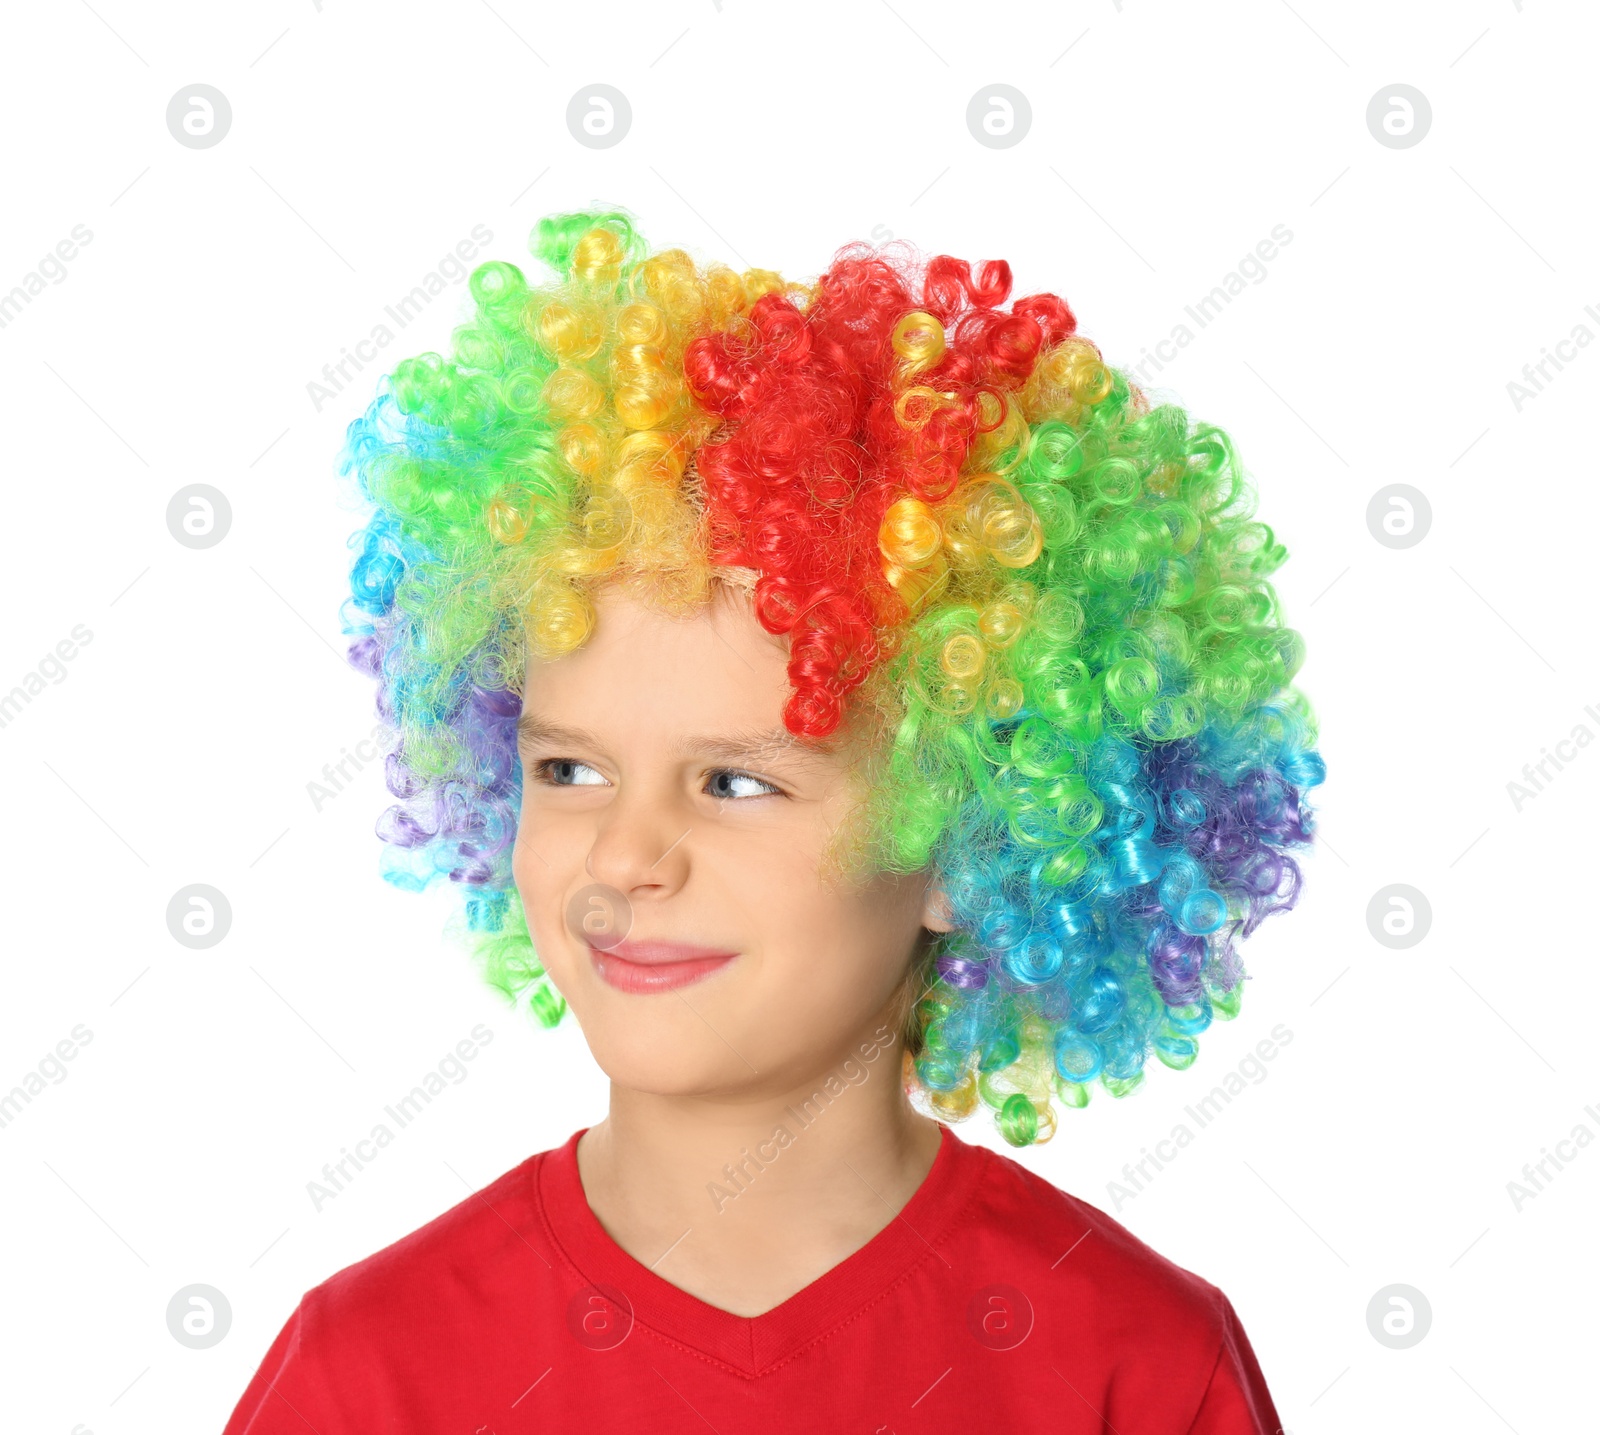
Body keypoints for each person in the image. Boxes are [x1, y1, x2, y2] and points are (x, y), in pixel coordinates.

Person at [223, 209, 1321, 1431]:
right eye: (572, 771)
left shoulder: (1133, 1367)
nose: (627, 856)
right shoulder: (374, 1373)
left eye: (736, 783)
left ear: (971, 837)